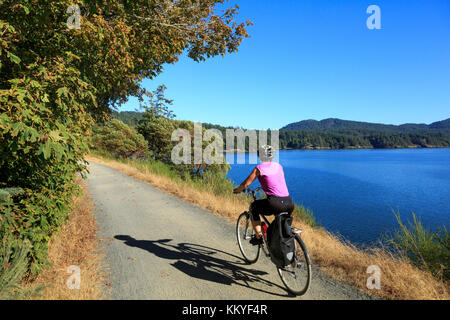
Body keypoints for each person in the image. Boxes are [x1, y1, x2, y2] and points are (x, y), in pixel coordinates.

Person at [233, 145, 294, 245]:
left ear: (259, 155)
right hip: (289, 202)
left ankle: (258, 237)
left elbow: (246, 184)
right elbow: (276, 182)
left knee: (253, 207)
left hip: (275, 203)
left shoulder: (259, 169)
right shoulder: (278, 166)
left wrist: (237, 190)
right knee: (280, 228)